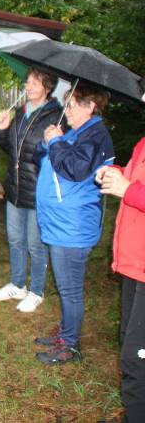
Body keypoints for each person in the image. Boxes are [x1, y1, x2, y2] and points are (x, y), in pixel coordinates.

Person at [32, 84, 113, 365]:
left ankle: (70, 345)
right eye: (66, 105)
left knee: (70, 289)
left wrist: (56, 142)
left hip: (73, 226)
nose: (66, 112)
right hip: (62, 223)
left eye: (72, 105)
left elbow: (76, 169)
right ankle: (66, 334)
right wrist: (50, 142)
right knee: (66, 286)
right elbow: (46, 158)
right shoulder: (81, 133)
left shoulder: (95, 135)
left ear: (91, 106)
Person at [0, 69, 62, 313]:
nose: (28, 87)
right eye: (27, 82)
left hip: (37, 190)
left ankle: (37, 291)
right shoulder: (21, 113)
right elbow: (11, 148)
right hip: (15, 187)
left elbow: (49, 154)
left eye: (34, 83)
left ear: (47, 87)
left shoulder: (55, 116)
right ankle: (18, 284)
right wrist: (3, 129)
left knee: (35, 244)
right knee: (15, 239)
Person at [97, 136, 145, 420]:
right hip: (134, 262)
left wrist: (129, 189)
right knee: (130, 346)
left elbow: (134, 189)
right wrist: (114, 173)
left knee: (137, 359)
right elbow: (132, 178)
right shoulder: (142, 141)